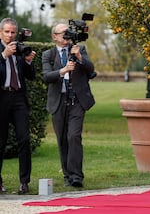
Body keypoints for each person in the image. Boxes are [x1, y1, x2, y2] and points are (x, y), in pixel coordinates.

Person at [42, 23, 95, 188]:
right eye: (62, 33)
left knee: (74, 136)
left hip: (77, 100)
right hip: (58, 101)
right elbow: (46, 77)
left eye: (68, 33)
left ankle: (76, 175)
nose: (66, 36)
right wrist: (63, 70)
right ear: (54, 36)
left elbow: (91, 69)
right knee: (63, 139)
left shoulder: (79, 49)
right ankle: (67, 175)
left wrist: (79, 57)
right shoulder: (48, 55)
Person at [0, 18, 36, 194]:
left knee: (24, 140)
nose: (10, 35)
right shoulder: (2, 51)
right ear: (1, 32)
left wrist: (28, 61)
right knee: (0, 142)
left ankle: (24, 182)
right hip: (2, 98)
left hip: (19, 98)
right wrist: (3, 56)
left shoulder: (20, 49)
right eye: (6, 32)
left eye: (13, 32)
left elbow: (31, 76)